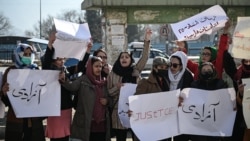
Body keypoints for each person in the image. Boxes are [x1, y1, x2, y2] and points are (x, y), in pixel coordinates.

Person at [42, 31, 93, 141]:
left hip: (66, 109)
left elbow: (79, 67)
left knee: (65, 137)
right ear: (53, 60)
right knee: (56, 137)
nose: (61, 62)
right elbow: (46, 60)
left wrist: (87, 51)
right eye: (58, 59)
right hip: (54, 109)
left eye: (62, 59)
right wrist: (50, 43)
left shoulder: (66, 70)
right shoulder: (48, 70)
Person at [107, 28, 152, 141]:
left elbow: (145, 57)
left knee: (136, 137)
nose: (124, 58)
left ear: (130, 60)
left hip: (135, 109)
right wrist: (116, 88)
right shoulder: (112, 74)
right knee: (120, 137)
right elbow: (109, 92)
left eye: (127, 57)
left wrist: (146, 40)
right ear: (118, 60)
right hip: (119, 111)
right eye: (122, 57)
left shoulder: (135, 70)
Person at [60, 56, 111, 141]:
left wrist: (107, 101)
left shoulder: (104, 81)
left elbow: (110, 97)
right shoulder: (84, 80)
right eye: (96, 66)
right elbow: (72, 86)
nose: (98, 69)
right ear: (90, 67)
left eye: (100, 66)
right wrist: (64, 79)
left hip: (102, 123)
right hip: (87, 122)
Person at [1, 43, 45, 141]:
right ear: (18, 55)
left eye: (30, 54)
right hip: (16, 119)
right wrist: (4, 92)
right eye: (25, 54)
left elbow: (42, 93)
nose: (28, 57)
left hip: (33, 119)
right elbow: (6, 101)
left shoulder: (36, 70)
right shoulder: (11, 72)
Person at [188, 62, 228, 141]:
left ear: (213, 71)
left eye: (209, 70)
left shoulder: (220, 84)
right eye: (204, 70)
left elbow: (225, 101)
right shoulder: (194, 84)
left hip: (215, 122)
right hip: (199, 123)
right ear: (200, 71)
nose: (206, 72)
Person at [167, 51, 194, 141]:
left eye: (175, 65)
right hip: (167, 114)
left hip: (182, 116)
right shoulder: (165, 75)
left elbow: (191, 94)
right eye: (170, 64)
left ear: (181, 65)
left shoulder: (187, 76)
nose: (171, 67)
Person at [233, 59, 250, 141]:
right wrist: (241, 94)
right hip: (246, 117)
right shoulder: (239, 74)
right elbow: (240, 104)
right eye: (246, 61)